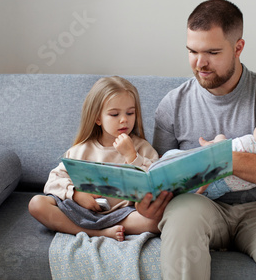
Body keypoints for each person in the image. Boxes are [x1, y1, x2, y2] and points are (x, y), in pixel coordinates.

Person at [136, 0, 256, 279]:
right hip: (200, 207)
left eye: (212, 52)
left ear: (238, 47)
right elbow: (159, 175)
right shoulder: (173, 104)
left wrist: (224, 159)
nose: (200, 63)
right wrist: (148, 202)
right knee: (181, 221)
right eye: (192, 51)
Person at [28, 76, 160, 242]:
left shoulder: (142, 148)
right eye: (114, 114)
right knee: (36, 204)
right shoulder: (82, 149)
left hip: (122, 214)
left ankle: (99, 228)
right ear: (98, 118)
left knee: (157, 220)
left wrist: (132, 157)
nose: (124, 119)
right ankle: (98, 233)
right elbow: (53, 181)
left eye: (130, 113)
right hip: (80, 210)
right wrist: (76, 195)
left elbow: (155, 185)